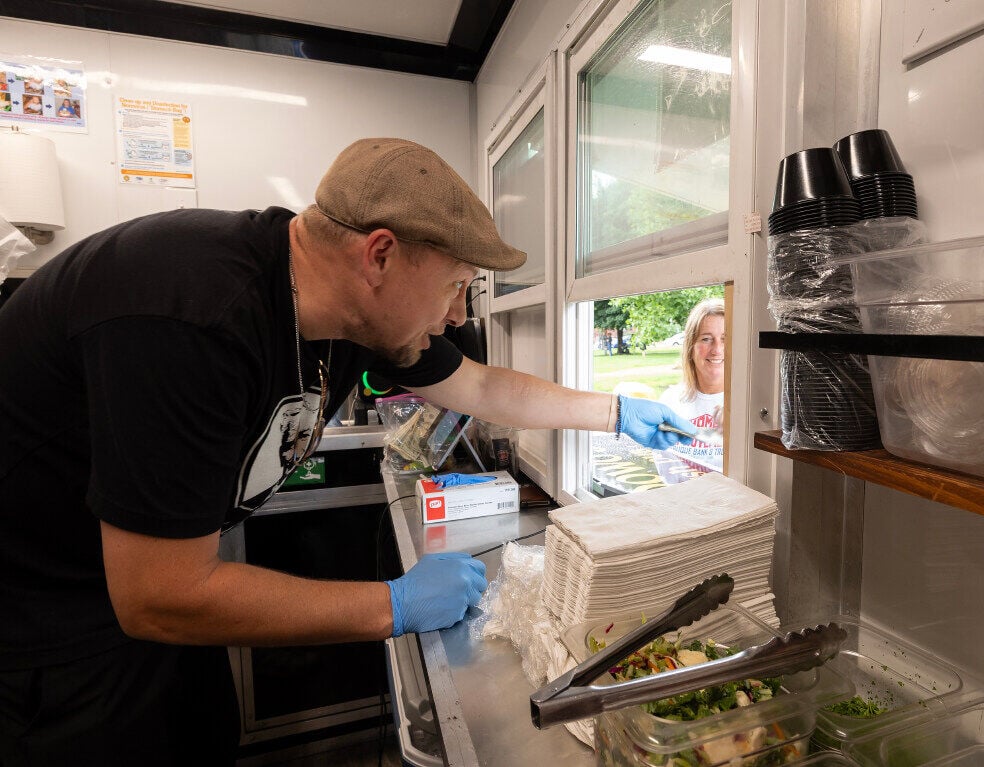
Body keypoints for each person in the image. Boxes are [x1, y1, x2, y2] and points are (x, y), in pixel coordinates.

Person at [0, 137, 693, 766]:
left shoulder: (346, 310)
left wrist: (616, 411)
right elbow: (160, 594)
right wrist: (390, 603)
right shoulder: (191, 314)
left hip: (148, 615)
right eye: (455, 284)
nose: (458, 314)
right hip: (51, 633)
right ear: (381, 255)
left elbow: (479, 385)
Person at [656, 297, 726, 481]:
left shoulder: (746, 408)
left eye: (725, 339)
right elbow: (664, 471)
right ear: (690, 347)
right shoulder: (669, 402)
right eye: (706, 339)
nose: (717, 349)